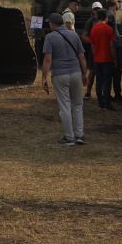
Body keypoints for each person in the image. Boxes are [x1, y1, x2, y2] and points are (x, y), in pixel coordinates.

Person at [38, 12, 87, 145]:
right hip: (76, 72)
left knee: (65, 106)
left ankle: (69, 137)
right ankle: (79, 135)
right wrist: (84, 73)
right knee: (78, 104)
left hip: (60, 74)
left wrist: (44, 78)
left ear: (52, 24)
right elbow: (81, 56)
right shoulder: (74, 34)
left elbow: (48, 59)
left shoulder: (50, 37)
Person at [88, 7, 120, 111]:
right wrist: (114, 58)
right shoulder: (109, 29)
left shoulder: (94, 28)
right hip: (107, 58)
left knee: (99, 80)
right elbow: (111, 45)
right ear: (106, 17)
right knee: (107, 81)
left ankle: (100, 103)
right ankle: (107, 103)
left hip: (97, 58)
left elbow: (92, 45)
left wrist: (95, 54)